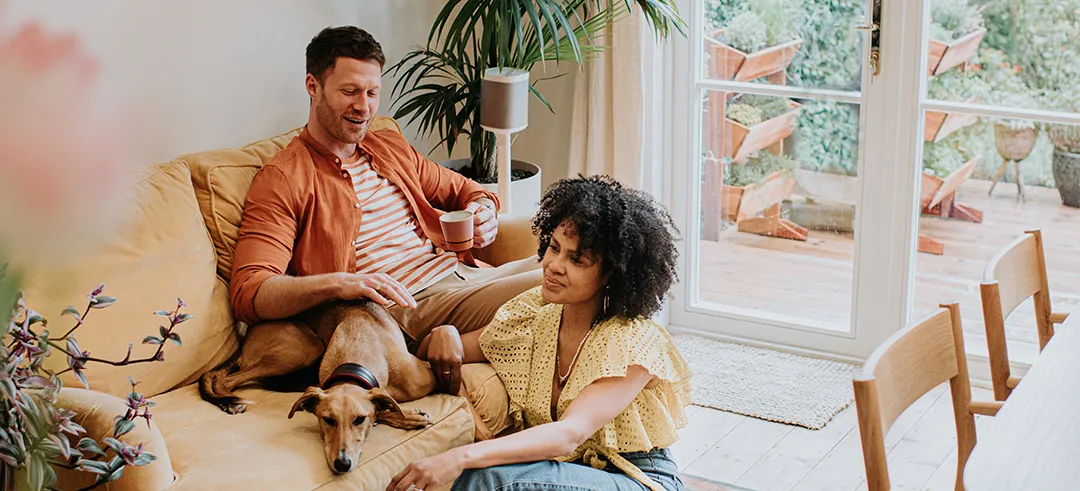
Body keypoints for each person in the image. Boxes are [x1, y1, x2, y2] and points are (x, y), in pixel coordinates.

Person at [228, 25, 542, 387]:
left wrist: (483, 209)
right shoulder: (284, 178)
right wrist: (340, 284)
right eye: (350, 91)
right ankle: (429, 346)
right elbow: (250, 291)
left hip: (463, 274)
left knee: (570, 260)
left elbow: (465, 190)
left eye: (372, 92)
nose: (364, 106)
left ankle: (452, 344)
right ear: (313, 86)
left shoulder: (388, 145)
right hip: (405, 306)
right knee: (559, 282)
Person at [388, 175, 692, 491]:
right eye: (554, 248)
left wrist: (458, 457)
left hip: (636, 477)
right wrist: (445, 333)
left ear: (611, 274)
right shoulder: (535, 315)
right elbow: (444, 351)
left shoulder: (632, 341)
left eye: (576, 259)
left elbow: (568, 434)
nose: (553, 265)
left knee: (488, 480)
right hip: (568, 470)